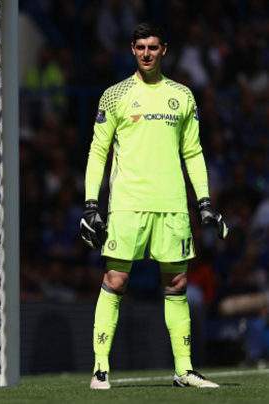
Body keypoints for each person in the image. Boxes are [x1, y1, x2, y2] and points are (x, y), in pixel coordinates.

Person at [80, 22, 228, 389]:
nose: (146, 53)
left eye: (153, 47)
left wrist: (204, 200)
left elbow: (192, 151)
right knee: (116, 280)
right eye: (140, 47)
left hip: (173, 203)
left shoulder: (183, 96)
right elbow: (98, 151)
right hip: (128, 203)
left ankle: (184, 370)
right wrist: (90, 204)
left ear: (164, 49)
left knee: (177, 282)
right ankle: (100, 369)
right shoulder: (114, 95)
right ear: (132, 49)